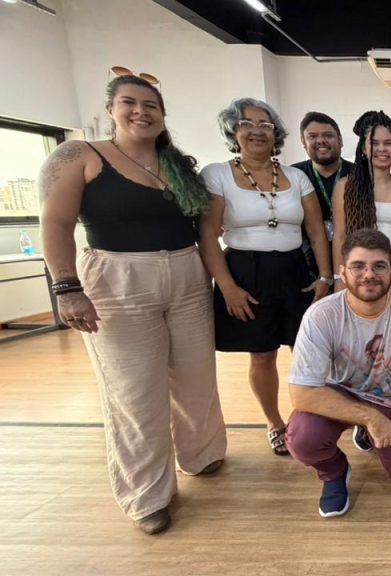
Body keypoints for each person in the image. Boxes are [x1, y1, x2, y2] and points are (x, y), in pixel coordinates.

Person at [39, 72, 226, 534]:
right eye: (129, 103)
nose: (140, 112)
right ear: (111, 110)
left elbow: (203, 225)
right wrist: (67, 288)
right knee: (134, 392)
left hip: (186, 272)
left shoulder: (177, 164)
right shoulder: (79, 155)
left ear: (162, 115)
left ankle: (201, 455)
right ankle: (147, 496)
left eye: (150, 106)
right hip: (118, 277)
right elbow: (55, 223)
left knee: (197, 379)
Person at [198, 97, 332, 457]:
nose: (257, 131)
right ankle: (275, 423)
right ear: (233, 131)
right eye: (247, 124)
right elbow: (207, 234)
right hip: (245, 271)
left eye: (265, 125)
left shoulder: (297, 177)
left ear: (277, 134)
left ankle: (312, 418)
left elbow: (316, 231)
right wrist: (228, 287)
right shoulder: (217, 174)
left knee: (308, 350)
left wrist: (325, 277)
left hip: (294, 269)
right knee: (262, 354)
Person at [285, 229, 391, 517]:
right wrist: (370, 417)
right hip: (340, 392)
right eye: (358, 266)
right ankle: (334, 472)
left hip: (390, 399)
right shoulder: (321, 315)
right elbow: (302, 394)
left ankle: (368, 433)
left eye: (378, 266)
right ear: (343, 272)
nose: (369, 274)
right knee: (302, 438)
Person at [332, 110, 391, 289]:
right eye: (374, 143)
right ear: (364, 149)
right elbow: (340, 236)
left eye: (388, 143)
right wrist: (339, 278)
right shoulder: (345, 187)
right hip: (359, 271)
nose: (382, 149)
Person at [291, 111, 355, 276]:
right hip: (305, 265)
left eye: (328, 135)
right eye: (312, 136)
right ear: (303, 142)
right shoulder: (292, 175)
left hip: (353, 261)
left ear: (340, 140)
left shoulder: (359, 175)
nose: (320, 141)